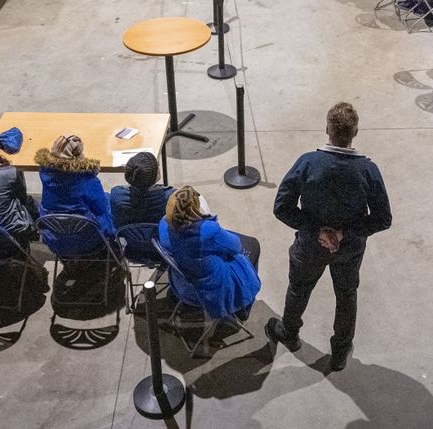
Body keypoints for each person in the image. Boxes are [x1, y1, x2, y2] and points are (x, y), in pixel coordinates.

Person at [265, 102, 393, 372]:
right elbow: (383, 219)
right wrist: (343, 233)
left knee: (299, 289)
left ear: (327, 129)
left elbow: (282, 208)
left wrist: (317, 230)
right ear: (355, 132)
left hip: (310, 245)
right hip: (349, 249)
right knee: (346, 294)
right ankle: (340, 351)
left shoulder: (308, 163)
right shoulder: (368, 171)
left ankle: (289, 332)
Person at [157, 186, 261, 321]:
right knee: (252, 245)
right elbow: (236, 246)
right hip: (207, 292)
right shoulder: (207, 231)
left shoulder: (163, 225)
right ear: (194, 209)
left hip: (180, 283)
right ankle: (243, 306)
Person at [35, 134, 114, 251]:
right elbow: (101, 208)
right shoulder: (87, 180)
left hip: (56, 240)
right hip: (89, 240)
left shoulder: (46, 175)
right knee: (110, 199)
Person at [109, 152, 174, 229]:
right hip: (158, 237)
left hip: (130, 238)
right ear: (156, 176)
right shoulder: (170, 196)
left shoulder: (116, 195)